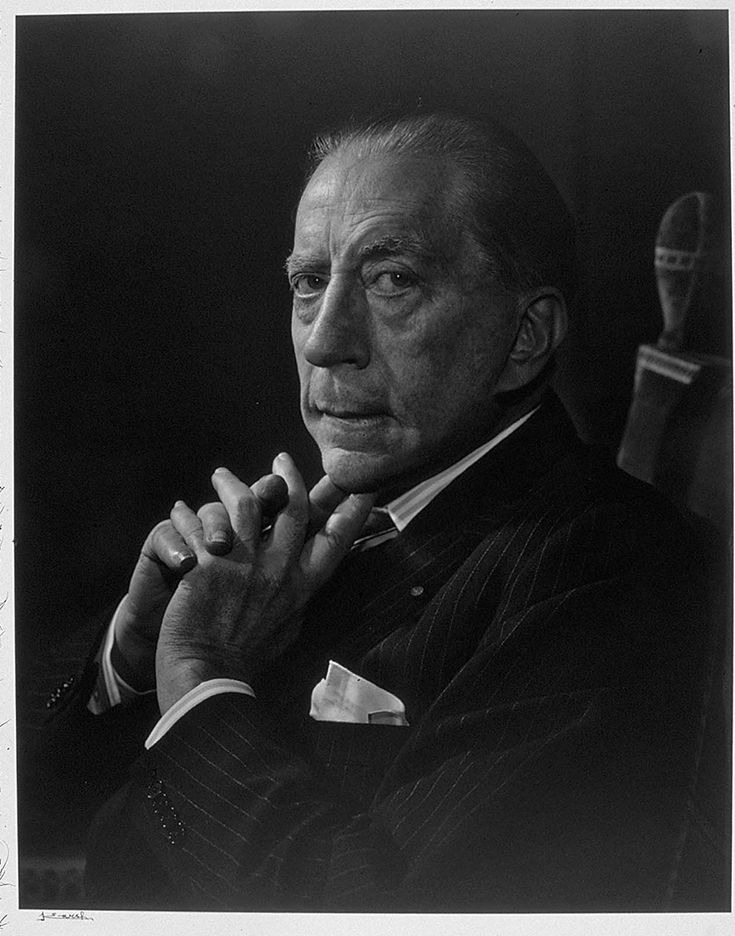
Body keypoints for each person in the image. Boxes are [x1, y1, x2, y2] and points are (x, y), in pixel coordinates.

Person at [38, 112, 729, 911]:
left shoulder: (612, 568)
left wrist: (197, 673)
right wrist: (129, 656)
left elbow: (397, 917)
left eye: (390, 278)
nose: (326, 341)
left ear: (525, 336)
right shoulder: (292, 536)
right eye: (308, 282)